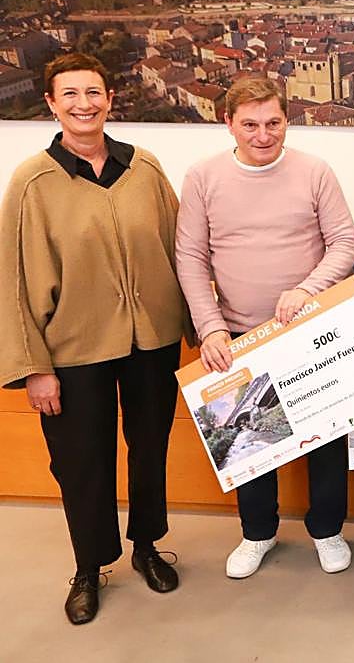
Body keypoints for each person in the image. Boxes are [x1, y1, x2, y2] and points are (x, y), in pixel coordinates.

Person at [0, 53, 189, 625]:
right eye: (70, 94)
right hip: (72, 350)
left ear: (110, 99)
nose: (84, 104)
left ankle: (147, 546)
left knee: (150, 447)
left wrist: (203, 326)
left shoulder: (145, 167)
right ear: (51, 104)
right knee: (81, 460)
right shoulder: (32, 182)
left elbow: (181, 248)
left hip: (152, 341)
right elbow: (13, 281)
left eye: (93, 92)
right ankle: (88, 566)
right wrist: (34, 367)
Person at [175, 76, 354, 580]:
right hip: (238, 336)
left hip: (310, 329)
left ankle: (328, 530)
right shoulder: (203, 177)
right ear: (228, 123)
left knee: (327, 438)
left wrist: (307, 288)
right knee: (250, 440)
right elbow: (190, 257)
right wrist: (210, 327)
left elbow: (345, 242)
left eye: (273, 123)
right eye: (250, 124)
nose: (263, 135)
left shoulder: (314, 171)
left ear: (286, 121)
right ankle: (258, 533)